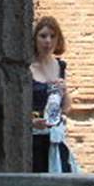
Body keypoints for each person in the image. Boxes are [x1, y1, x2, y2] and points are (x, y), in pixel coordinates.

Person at [30, 15, 77, 173]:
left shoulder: (60, 65)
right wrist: (31, 121)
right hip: (33, 140)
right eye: (43, 36)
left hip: (55, 138)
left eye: (52, 36)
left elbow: (67, 107)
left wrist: (64, 91)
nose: (48, 41)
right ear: (35, 38)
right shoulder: (26, 67)